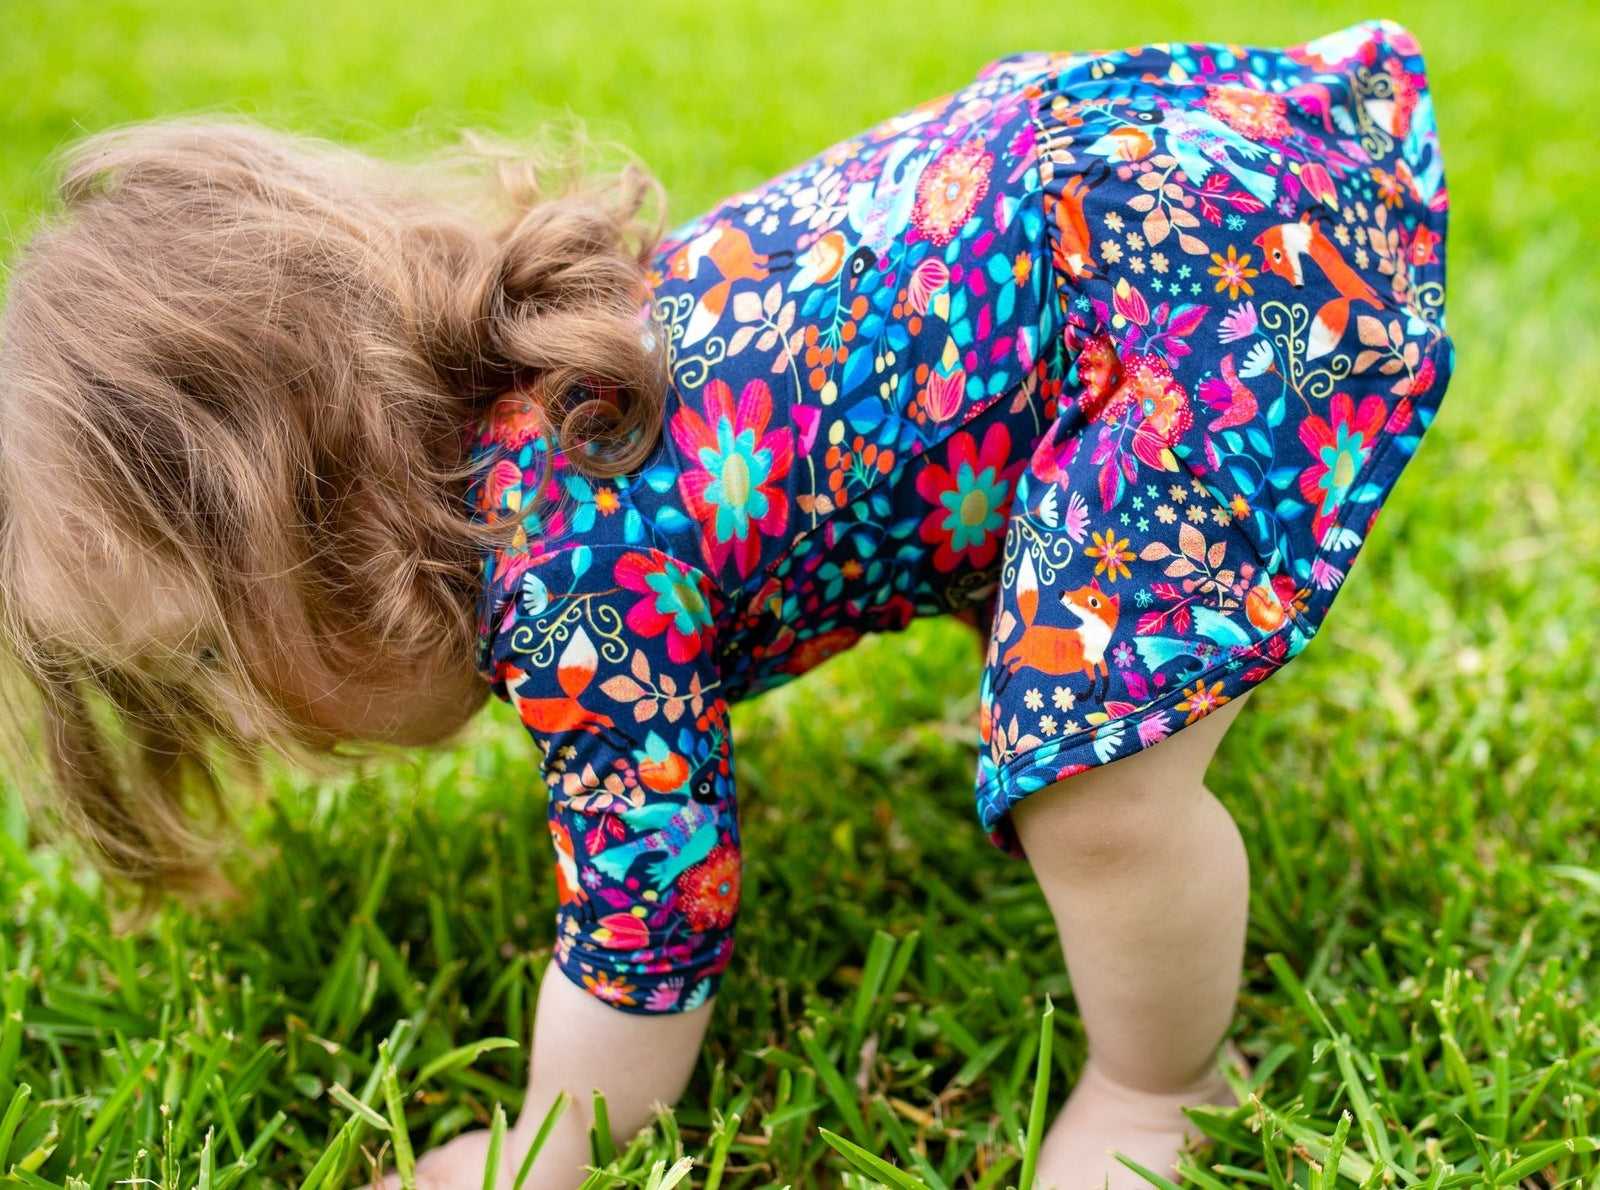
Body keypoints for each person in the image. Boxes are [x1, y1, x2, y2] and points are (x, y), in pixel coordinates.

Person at [0, 19, 1450, 1187]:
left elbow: (652, 905)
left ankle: (1163, 1082)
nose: (248, 723)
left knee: (1099, 789)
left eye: (208, 657)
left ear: (318, 527)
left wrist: (552, 1143)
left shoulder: (557, 573)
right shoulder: (518, 406)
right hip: (1139, 188)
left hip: (1203, 286)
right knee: (1005, 563)